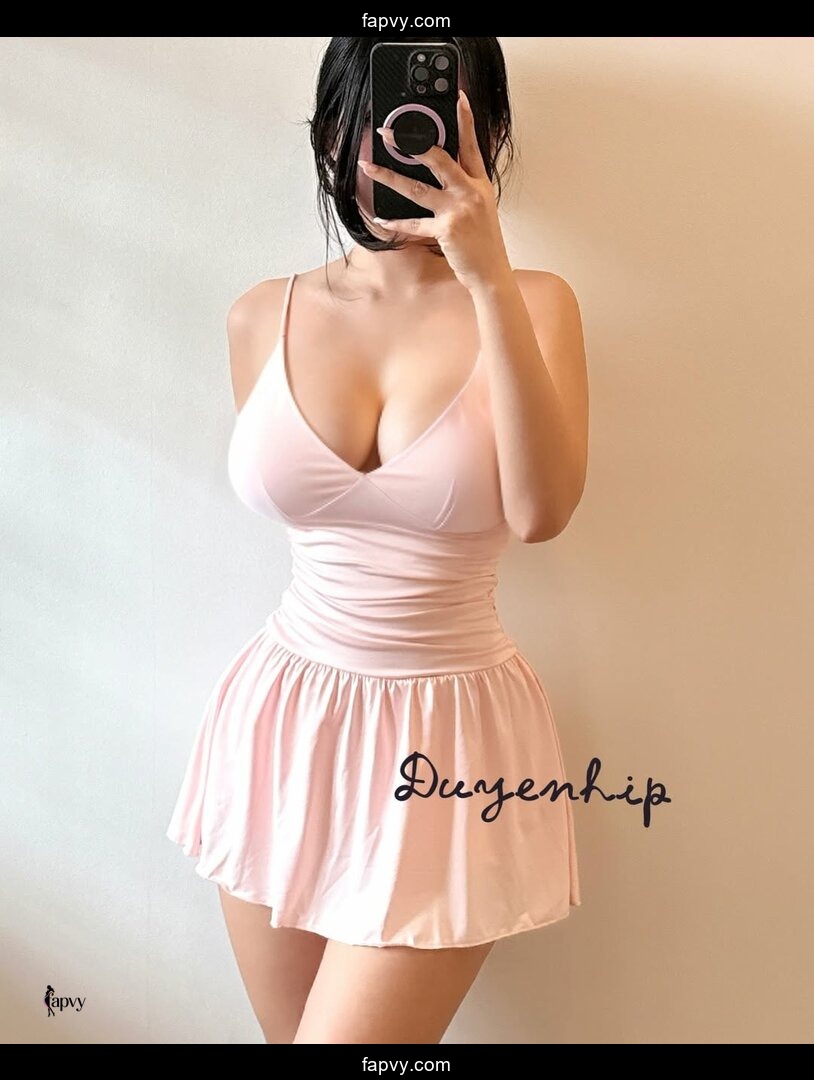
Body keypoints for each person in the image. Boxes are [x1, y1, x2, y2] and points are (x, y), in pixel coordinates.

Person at [166, 36, 588, 1045]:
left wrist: (486, 278)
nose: (399, 144)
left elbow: (541, 513)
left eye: (432, 118)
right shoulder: (260, 315)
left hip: (450, 738)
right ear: (330, 132)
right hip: (284, 723)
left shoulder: (535, 303)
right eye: (376, 118)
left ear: (488, 134)